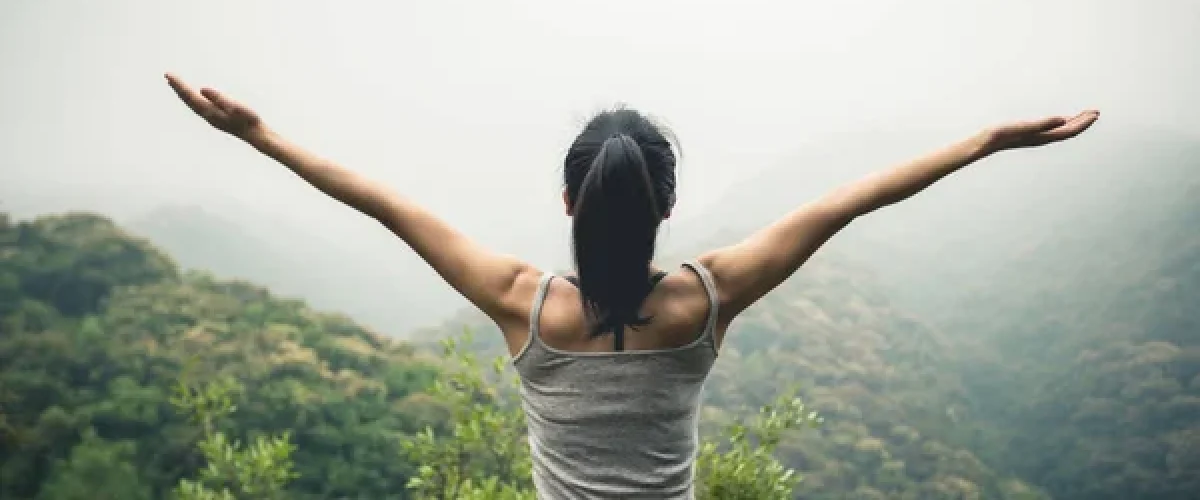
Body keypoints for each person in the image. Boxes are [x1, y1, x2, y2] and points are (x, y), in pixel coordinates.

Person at [164, 73, 1099, 499]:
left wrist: (257, 134)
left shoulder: (521, 301)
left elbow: (382, 205)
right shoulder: (706, 298)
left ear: (568, 199)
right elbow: (846, 202)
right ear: (669, 203)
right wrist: (984, 142)